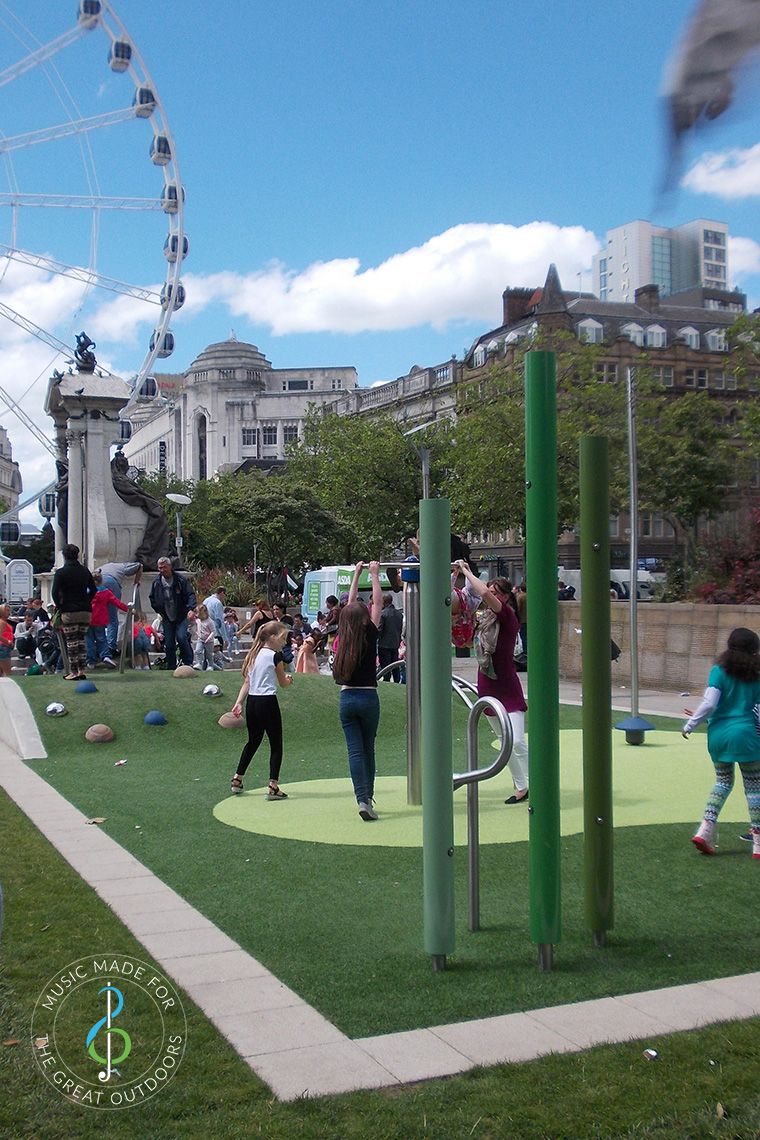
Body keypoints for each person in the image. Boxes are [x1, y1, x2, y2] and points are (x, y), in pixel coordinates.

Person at [682, 627, 760, 860]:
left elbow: (709, 704)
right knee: (754, 788)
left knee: (723, 782)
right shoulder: (756, 676)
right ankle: (758, 842)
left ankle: (705, 830)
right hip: (746, 735)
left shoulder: (718, 671)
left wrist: (690, 725)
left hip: (718, 735)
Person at [455, 561, 529, 804]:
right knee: (505, 743)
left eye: (497, 593)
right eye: (492, 591)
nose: (491, 595)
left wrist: (466, 571)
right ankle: (521, 787)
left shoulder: (507, 617)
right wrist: (456, 575)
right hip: (487, 684)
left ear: (506, 597)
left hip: (507, 686)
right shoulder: (484, 618)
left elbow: (483, 593)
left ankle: (533, 782)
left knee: (516, 740)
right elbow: (453, 602)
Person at [333, 561, 383, 821]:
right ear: (365, 617)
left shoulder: (344, 634)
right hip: (368, 696)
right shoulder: (369, 634)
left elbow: (349, 607)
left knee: (354, 751)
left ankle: (362, 799)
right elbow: (378, 603)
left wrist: (356, 575)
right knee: (368, 749)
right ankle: (369, 798)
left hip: (347, 698)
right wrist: (374, 575)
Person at [229, 620, 292, 799]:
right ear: (272, 638)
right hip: (268, 702)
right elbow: (282, 683)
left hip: (253, 703)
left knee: (253, 741)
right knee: (276, 744)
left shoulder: (254, 655)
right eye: (282, 638)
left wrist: (239, 702)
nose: (284, 642)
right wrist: (288, 680)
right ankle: (273, 785)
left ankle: (237, 778)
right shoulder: (275, 656)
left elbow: (247, 683)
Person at [51, 543, 97, 680]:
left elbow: (54, 593)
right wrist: (87, 600)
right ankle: (82, 670)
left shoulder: (61, 573)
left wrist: (60, 605)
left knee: (71, 642)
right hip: (85, 610)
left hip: (69, 610)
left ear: (64, 556)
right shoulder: (84, 571)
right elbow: (93, 589)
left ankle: (74, 671)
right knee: (81, 640)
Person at [148, 557, 196, 670]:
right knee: (169, 643)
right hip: (167, 616)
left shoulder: (180, 580)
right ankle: (171, 666)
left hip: (181, 615)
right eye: (160, 568)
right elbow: (152, 598)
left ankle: (188, 662)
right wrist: (159, 610)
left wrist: (190, 609)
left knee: (181, 637)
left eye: (164, 567)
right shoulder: (157, 582)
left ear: (170, 567)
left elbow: (190, 595)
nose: (162, 570)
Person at [97, 560, 142, 656]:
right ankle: (111, 646)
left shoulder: (101, 568)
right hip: (112, 582)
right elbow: (139, 566)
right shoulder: (122, 566)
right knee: (112, 618)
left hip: (98, 584)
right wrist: (136, 582)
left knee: (98, 618)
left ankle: (99, 648)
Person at [86, 571, 129, 669]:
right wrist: (128, 609)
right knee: (102, 639)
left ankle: (90, 661)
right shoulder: (106, 592)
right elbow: (117, 602)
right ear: (101, 581)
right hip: (100, 620)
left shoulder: (86, 591)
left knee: (89, 640)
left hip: (88, 618)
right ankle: (105, 656)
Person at [377, 594, 403, 682]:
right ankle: (397, 682)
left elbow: (380, 630)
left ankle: (386, 681)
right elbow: (400, 629)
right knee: (395, 666)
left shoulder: (383, 614)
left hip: (384, 644)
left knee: (385, 667)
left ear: (384, 602)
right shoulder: (399, 614)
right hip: (395, 644)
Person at [194, 604, 216, 670]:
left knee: (209, 654)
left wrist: (209, 638)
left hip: (209, 641)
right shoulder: (198, 621)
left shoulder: (209, 622)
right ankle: (199, 663)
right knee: (198, 651)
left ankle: (210, 665)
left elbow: (213, 631)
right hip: (200, 639)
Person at [0, 604, 13, 678]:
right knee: (8, 673)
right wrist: (8, 642)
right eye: (7, 610)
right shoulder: (2, 622)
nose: (9, 612)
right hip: (3, 647)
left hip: (4, 647)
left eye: (9, 610)